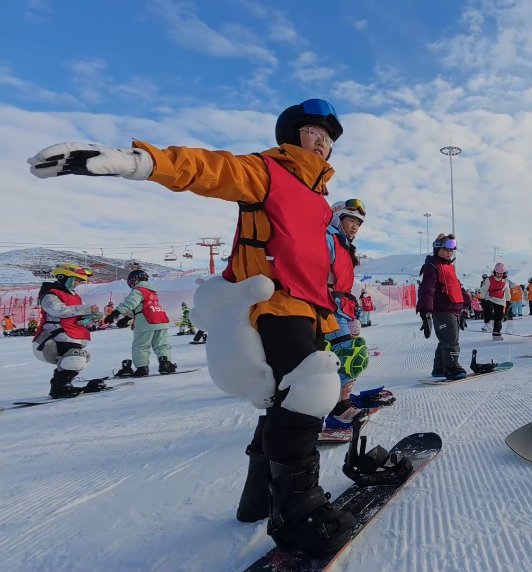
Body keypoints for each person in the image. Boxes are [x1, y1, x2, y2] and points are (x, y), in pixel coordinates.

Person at [29, 98, 357, 557]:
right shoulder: (269, 172)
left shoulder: (320, 202)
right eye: (313, 131)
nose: (323, 141)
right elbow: (208, 169)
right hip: (275, 304)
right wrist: (138, 161)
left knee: (280, 399)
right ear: (291, 135)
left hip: (309, 310)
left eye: (329, 137)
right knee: (310, 392)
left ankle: (257, 497)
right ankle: (298, 513)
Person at [321, 200, 372, 433]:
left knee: (351, 355)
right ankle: (338, 410)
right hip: (329, 309)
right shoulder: (327, 238)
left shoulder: (343, 245)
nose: (355, 227)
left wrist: (353, 311)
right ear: (338, 218)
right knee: (347, 357)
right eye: (351, 220)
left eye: (359, 223)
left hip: (343, 310)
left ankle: (343, 401)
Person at [31, 264, 102, 398]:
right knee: (75, 357)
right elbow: (57, 310)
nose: (76, 284)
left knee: (82, 357)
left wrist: (88, 317)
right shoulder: (51, 294)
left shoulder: (74, 296)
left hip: (73, 335)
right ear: (62, 277)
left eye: (78, 281)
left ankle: (63, 384)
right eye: (74, 280)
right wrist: (85, 309)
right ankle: (60, 386)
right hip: (55, 337)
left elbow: (75, 316)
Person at [105, 269, 177, 377]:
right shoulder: (151, 291)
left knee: (141, 346)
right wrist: (127, 318)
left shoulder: (138, 290)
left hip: (146, 321)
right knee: (161, 344)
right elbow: (142, 306)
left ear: (134, 280)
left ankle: (142, 368)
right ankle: (165, 364)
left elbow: (130, 303)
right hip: (161, 319)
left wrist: (114, 314)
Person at [417, 234, 468, 380]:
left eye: (451, 250)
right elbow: (426, 289)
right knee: (451, 339)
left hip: (453, 308)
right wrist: (425, 311)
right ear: (437, 249)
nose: (449, 252)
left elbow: (456, 286)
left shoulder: (449, 267)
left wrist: (465, 305)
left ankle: (439, 368)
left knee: (446, 339)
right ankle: (452, 368)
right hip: (442, 308)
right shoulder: (432, 266)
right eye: (446, 249)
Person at [479, 263, 510, 339]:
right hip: (490, 298)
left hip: (500, 300)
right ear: (495, 272)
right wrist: (482, 299)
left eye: (501, 273)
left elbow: (507, 291)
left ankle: (496, 334)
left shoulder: (505, 281)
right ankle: (488, 323)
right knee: (488, 307)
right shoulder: (489, 280)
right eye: (498, 273)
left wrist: (508, 301)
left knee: (499, 317)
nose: (499, 275)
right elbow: (483, 290)